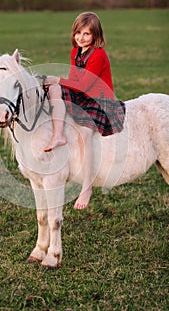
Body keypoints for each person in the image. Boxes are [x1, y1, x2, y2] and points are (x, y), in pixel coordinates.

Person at [44, 12, 125, 210]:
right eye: (78, 33)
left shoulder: (98, 55)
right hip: (83, 93)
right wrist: (56, 85)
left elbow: (85, 85)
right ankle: (58, 135)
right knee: (53, 89)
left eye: (86, 34)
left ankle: (87, 187)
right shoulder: (75, 52)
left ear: (95, 36)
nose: (81, 37)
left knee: (85, 133)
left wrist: (58, 79)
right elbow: (75, 80)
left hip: (99, 100)